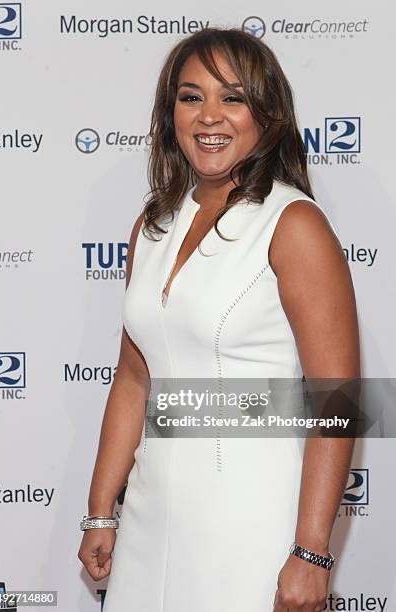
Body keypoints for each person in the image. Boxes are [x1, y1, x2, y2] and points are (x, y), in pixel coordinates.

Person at [78, 27, 360, 612]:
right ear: (169, 113)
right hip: (151, 520)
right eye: (190, 96)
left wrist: (312, 553)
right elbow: (134, 377)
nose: (210, 116)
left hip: (253, 526)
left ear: (266, 113)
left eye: (232, 97)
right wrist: (102, 508)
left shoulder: (293, 225)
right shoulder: (154, 225)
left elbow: (338, 400)